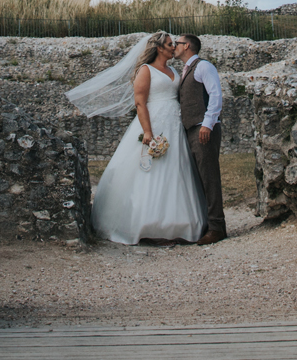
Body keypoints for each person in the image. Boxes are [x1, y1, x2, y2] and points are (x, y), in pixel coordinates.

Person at [66, 31, 205, 245]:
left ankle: (178, 224)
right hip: (155, 121)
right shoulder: (145, 70)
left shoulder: (173, 70)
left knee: (176, 169)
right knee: (150, 170)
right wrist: (148, 131)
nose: (173, 46)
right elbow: (140, 102)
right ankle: (148, 225)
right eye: (169, 44)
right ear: (159, 48)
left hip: (174, 124)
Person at [174, 33, 226, 245]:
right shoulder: (186, 69)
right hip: (191, 129)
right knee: (197, 177)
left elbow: (215, 95)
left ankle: (217, 227)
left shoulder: (204, 67)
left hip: (203, 130)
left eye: (176, 43)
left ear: (186, 46)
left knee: (209, 176)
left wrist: (207, 124)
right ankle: (204, 224)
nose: (174, 47)